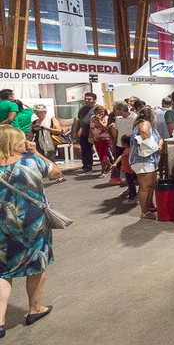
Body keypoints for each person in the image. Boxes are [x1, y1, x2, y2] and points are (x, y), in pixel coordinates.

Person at [0, 125, 62, 338]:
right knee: (36, 264)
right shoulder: (30, 161)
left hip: (2, 225)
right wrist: (36, 152)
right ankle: (35, 308)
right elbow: (56, 172)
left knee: (2, 271)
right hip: (32, 223)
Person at [129, 107, 162, 220]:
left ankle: (149, 206)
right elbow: (144, 131)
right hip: (143, 160)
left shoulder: (140, 124)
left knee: (150, 185)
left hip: (148, 160)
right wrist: (151, 144)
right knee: (145, 187)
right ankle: (144, 211)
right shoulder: (145, 123)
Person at [109, 101, 136, 188]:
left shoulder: (134, 118)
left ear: (120, 110)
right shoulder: (118, 119)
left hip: (131, 146)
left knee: (131, 168)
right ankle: (128, 186)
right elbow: (116, 133)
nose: (114, 112)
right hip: (120, 145)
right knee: (124, 168)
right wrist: (114, 145)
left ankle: (133, 189)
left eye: (115, 110)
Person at [75, 92, 98, 174]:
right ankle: (86, 166)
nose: (87, 100)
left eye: (89, 99)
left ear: (94, 100)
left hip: (96, 133)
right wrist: (77, 130)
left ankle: (109, 165)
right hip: (84, 133)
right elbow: (80, 121)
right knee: (85, 150)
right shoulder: (82, 109)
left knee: (102, 150)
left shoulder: (98, 109)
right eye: (86, 99)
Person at [89, 105, 113, 177]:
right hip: (96, 138)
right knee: (100, 154)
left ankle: (103, 170)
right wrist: (91, 136)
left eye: (101, 112)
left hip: (105, 138)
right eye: (97, 112)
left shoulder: (106, 118)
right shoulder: (92, 118)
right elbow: (90, 127)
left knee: (103, 154)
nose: (99, 113)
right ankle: (110, 166)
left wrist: (99, 120)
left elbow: (106, 127)